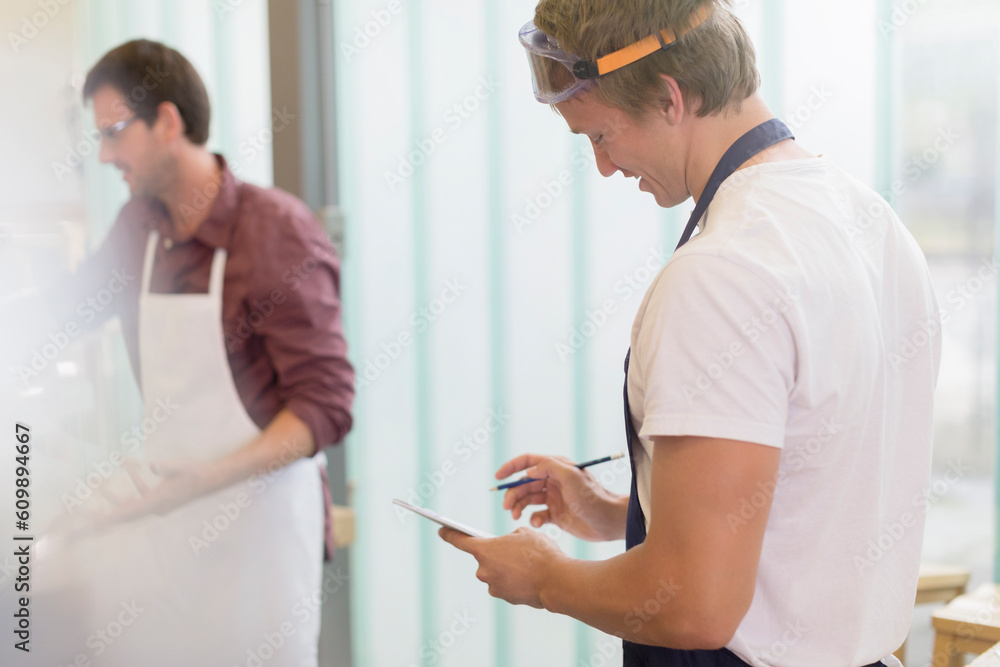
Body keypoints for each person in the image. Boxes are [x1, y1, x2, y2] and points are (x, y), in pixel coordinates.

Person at [439, 2, 940, 666]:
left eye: (599, 136)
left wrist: (543, 577)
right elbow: (808, 493)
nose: (605, 167)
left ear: (670, 98)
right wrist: (620, 511)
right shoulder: (872, 225)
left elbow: (693, 601)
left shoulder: (722, 273)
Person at [28, 39, 354, 666]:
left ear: (169, 122)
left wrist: (202, 482)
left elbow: (326, 406)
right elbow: (65, 313)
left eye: (115, 132)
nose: (103, 155)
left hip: (261, 539)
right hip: (172, 530)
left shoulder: (275, 233)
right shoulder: (139, 228)